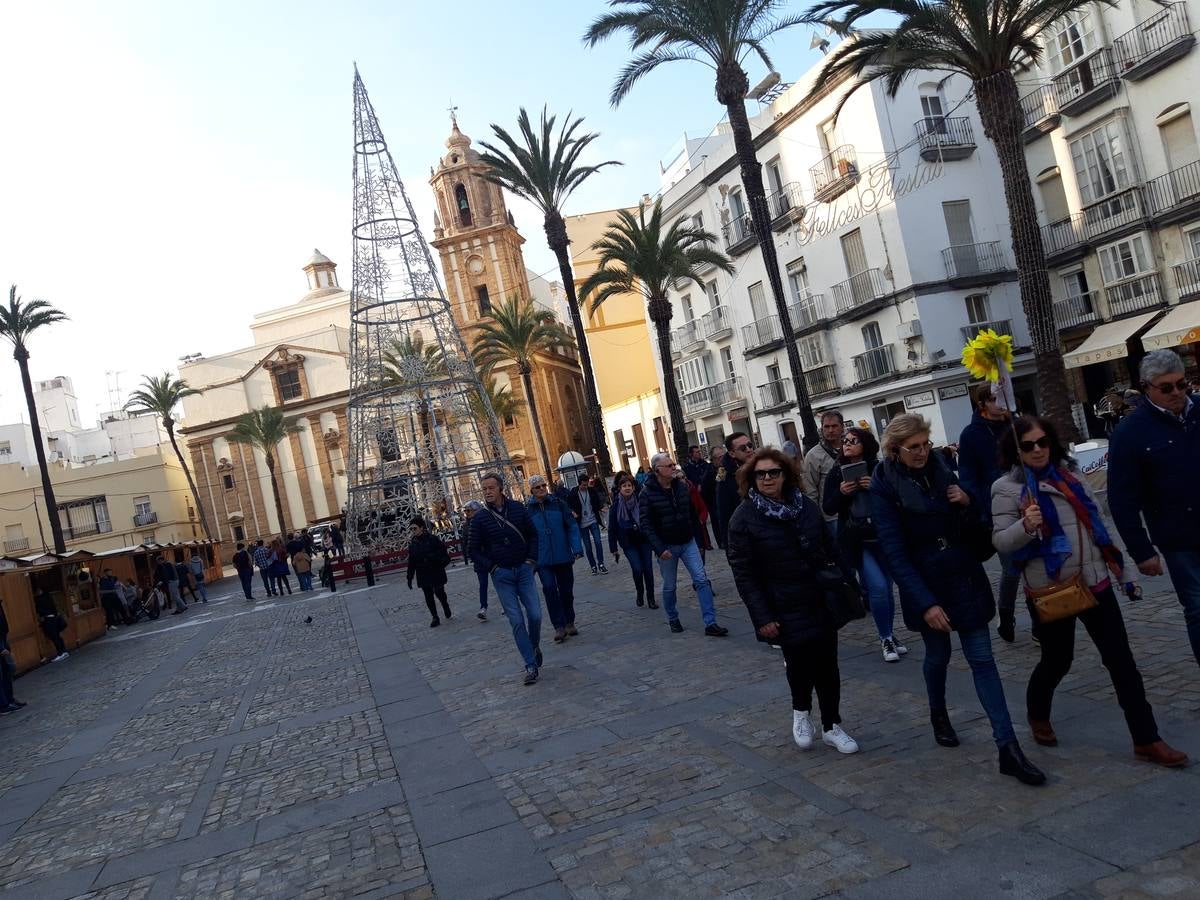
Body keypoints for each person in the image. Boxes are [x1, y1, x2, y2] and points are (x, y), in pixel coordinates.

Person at [993, 415, 1187, 768]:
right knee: (1057, 660)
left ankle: (1147, 739)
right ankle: (1037, 712)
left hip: (1095, 581)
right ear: (1015, 450)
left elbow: (1098, 523)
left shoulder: (1071, 474)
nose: (1037, 450)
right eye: (1028, 445)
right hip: (1053, 589)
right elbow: (1001, 542)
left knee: (1122, 663)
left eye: (1043, 442)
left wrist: (1124, 570)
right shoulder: (1007, 488)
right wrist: (1025, 524)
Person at [872, 413, 1046, 786]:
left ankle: (1008, 747)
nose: (921, 452)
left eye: (925, 444)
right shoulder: (884, 486)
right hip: (927, 584)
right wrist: (925, 603)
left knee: (983, 659)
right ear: (895, 450)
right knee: (938, 656)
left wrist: (968, 502)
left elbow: (978, 529)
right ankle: (938, 712)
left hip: (964, 577)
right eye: (913, 447)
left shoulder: (943, 471)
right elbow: (894, 552)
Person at [728, 447, 860, 754]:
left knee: (828, 664)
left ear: (785, 474)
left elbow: (832, 548)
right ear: (751, 478)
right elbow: (744, 574)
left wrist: (849, 584)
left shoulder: (806, 507)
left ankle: (831, 725)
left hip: (819, 596)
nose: (767, 478)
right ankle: (801, 712)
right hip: (782, 603)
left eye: (773, 472)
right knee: (799, 664)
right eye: (760, 474)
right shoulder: (744, 517)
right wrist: (762, 617)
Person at [1110, 350, 1200, 666]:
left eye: (1181, 384)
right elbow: (1121, 498)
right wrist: (1141, 550)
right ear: (1147, 387)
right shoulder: (1130, 432)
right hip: (1178, 537)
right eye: (1167, 388)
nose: (1177, 393)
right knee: (1198, 607)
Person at [823, 427, 905, 663]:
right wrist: (842, 493)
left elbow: (898, 498)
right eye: (845, 441)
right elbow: (828, 507)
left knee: (887, 589)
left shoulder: (880, 469)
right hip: (857, 540)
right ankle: (885, 637)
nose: (847, 444)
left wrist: (876, 488)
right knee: (877, 587)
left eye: (853, 441)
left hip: (883, 536)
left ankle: (890, 634)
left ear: (866, 445)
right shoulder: (837, 473)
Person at [958, 383, 1021, 643]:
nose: (1000, 403)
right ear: (982, 403)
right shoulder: (971, 434)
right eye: (994, 398)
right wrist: (983, 506)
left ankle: (1041, 619)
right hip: (996, 511)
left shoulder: (1016, 426)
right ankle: (1006, 612)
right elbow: (969, 477)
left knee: (1035, 564)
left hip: (1026, 502)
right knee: (1013, 567)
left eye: (1003, 396)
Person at [638, 452, 727, 636]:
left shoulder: (682, 487)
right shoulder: (647, 493)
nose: (673, 468)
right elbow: (646, 525)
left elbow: (692, 515)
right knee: (670, 585)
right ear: (658, 470)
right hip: (666, 546)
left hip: (688, 542)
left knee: (702, 580)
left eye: (673, 465)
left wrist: (700, 540)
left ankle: (710, 622)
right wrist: (659, 548)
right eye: (669, 466)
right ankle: (672, 617)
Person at [468, 472, 543, 685]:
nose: (488, 492)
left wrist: (531, 560)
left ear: (500, 489)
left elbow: (533, 535)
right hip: (503, 576)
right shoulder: (480, 518)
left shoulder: (518, 509)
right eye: (484, 489)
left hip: (524, 570)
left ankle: (534, 645)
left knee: (535, 615)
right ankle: (530, 664)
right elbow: (472, 550)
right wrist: (492, 568)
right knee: (517, 620)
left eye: (491, 488)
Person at [527, 475, 583, 642]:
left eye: (543, 485)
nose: (542, 489)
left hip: (562, 555)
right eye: (537, 487)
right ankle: (558, 626)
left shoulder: (559, 504)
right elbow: (527, 536)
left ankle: (569, 621)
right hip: (543, 559)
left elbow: (571, 526)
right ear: (531, 490)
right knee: (550, 590)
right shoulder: (528, 510)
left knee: (566, 591)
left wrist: (577, 547)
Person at [608, 471, 656, 609]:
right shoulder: (616, 507)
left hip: (644, 540)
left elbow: (650, 520)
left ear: (634, 487)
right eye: (624, 486)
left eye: (629, 485)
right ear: (620, 488)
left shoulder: (641, 502)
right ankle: (640, 592)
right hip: (628, 543)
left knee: (648, 569)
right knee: (637, 568)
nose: (627, 488)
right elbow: (612, 529)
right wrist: (614, 549)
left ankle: (651, 597)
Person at [803, 411, 845, 541]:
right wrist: (815, 520)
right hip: (832, 518)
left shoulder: (852, 447)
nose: (830, 430)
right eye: (826, 427)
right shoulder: (813, 456)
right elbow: (810, 491)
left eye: (834, 426)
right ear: (821, 428)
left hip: (856, 511)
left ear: (842, 427)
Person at [407, 516, 452, 627]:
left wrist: (431, 558)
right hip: (422, 573)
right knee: (428, 596)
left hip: (435, 570)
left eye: (415, 528)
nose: (413, 531)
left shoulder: (432, 539)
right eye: (411, 529)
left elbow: (443, 553)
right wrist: (409, 577)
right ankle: (435, 617)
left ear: (422, 528)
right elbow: (411, 562)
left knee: (439, 592)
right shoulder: (413, 544)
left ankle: (445, 605)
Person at [715, 432, 755, 544]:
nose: (748, 450)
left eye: (750, 445)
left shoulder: (762, 464)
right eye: (743, 448)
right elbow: (723, 512)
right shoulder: (724, 474)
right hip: (744, 531)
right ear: (732, 453)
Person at [567, 478, 609, 575]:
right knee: (588, 547)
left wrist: (601, 508)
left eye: (586, 485)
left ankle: (601, 564)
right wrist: (573, 512)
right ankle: (593, 566)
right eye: (583, 485)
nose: (585, 487)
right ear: (579, 484)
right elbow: (568, 505)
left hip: (593, 520)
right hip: (582, 523)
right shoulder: (573, 493)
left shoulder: (591, 491)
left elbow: (597, 502)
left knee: (598, 542)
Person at [463, 500, 490, 621]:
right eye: (465, 511)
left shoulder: (485, 522)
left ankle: (506, 604)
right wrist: (468, 556)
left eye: (469, 511)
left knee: (499, 582)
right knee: (483, 584)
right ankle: (483, 607)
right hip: (478, 559)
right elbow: (465, 542)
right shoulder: (466, 525)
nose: (466, 513)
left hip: (490, 556)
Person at [0, 600, 26, 713]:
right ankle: (3, 704)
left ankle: (9, 699)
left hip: (3, 638)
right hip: (0, 642)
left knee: (8, 671)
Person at [35, 590, 69, 660]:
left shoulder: (39, 600)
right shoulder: (49, 598)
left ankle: (60, 653)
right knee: (57, 636)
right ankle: (64, 651)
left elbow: (39, 611)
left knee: (54, 637)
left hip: (48, 620)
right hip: (54, 618)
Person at [702, 446, 724, 548]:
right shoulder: (709, 471)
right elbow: (717, 483)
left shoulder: (725, 467)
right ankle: (721, 541)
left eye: (723, 455)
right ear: (714, 459)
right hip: (714, 503)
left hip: (726, 501)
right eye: (719, 457)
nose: (722, 459)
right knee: (717, 522)